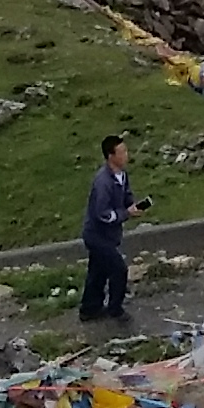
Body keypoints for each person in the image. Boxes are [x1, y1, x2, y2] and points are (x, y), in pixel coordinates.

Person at [80, 133, 135, 325]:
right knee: (118, 269)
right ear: (111, 156)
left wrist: (133, 206)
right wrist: (125, 213)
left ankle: (89, 308)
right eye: (122, 152)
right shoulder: (103, 182)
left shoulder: (122, 175)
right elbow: (103, 214)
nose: (126, 155)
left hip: (108, 235)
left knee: (98, 270)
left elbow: (126, 196)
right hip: (97, 235)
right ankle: (115, 309)